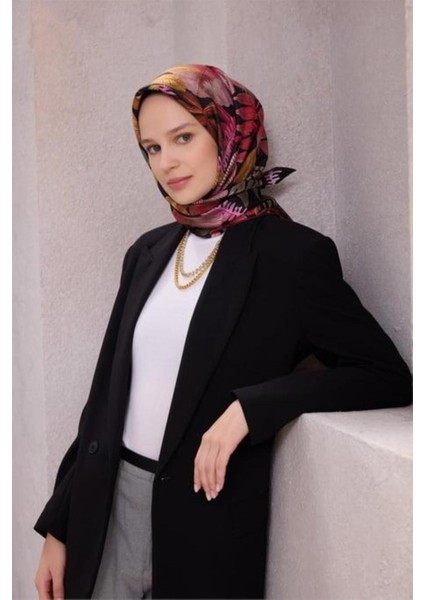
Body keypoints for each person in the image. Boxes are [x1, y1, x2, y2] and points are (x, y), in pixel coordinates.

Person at [34, 64, 412, 600]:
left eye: (183, 137)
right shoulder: (148, 251)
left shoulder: (292, 257)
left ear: (229, 132)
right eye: (151, 148)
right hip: (106, 508)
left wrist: (252, 408)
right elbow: (104, 402)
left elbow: (385, 376)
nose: (166, 162)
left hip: (204, 523)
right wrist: (60, 524)